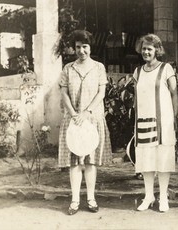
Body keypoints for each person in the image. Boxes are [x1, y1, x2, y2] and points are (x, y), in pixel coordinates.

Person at [58, 30, 112, 215]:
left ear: (91, 47)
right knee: (74, 162)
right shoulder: (67, 68)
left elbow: (101, 93)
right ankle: (74, 200)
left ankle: (91, 198)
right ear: (74, 48)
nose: (82, 51)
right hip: (73, 120)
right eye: (78, 47)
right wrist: (74, 114)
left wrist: (86, 112)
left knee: (90, 161)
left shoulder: (98, 67)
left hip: (92, 118)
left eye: (85, 47)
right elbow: (64, 93)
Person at [133, 34, 178, 212]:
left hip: (163, 122)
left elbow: (174, 94)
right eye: (144, 48)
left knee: (163, 159)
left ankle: (163, 197)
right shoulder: (137, 72)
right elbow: (137, 98)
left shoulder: (166, 68)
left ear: (157, 50)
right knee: (146, 160)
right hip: (143, 121)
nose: (146, 52)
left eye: (150, 49)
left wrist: (174, 118)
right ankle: (149, 195)